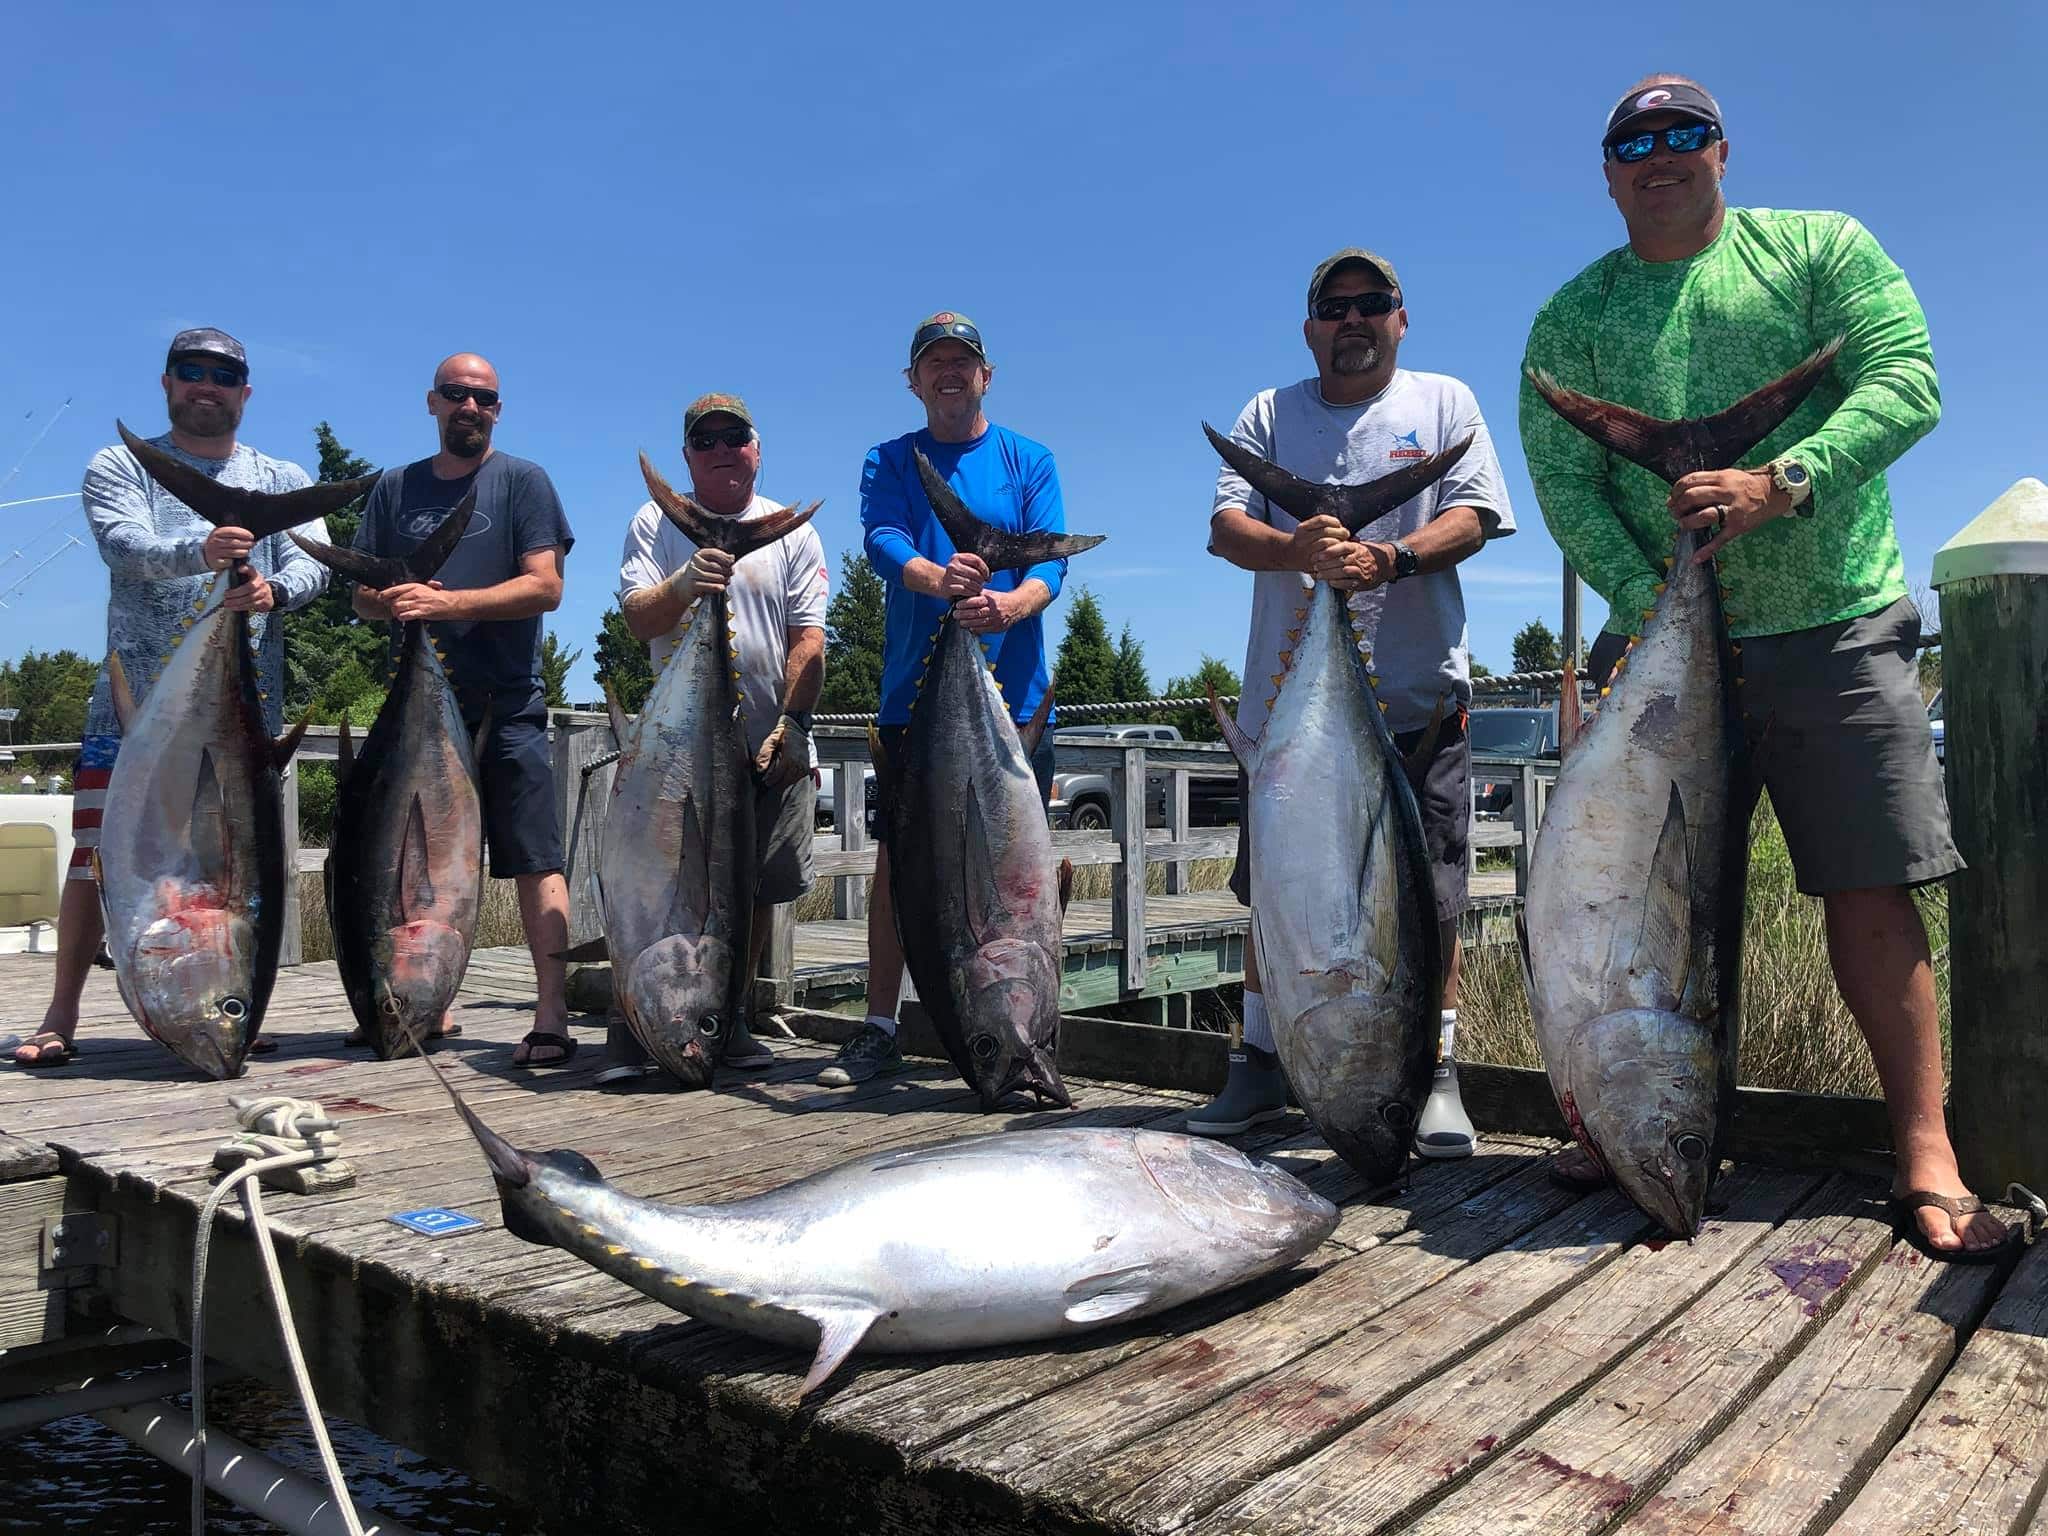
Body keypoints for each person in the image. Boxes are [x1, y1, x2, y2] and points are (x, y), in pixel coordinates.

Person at [1519, 75, 2005, 1257]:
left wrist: (1775, 484)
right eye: (1632, 142)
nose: (1659, 155)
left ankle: (1922, 1154)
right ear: (1606, 171)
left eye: (1682, 134)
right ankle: (1616, 1112)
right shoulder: (1569, 316)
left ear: (1722, 152)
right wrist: (1656, 601)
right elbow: (1566, 485)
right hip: (1660, 649)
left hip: (1829, 618)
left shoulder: (1816, 249)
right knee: (1637, 901)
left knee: (1864, 881)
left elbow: (1907, 380)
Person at [1193, 250, 1516, 1154]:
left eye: (1372, 304)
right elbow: (1225, 528)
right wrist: (1302, 550)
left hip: (1420, 703)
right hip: (1290, 721)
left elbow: (1477, 515)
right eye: (1334, 308)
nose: (1353, 320)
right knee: (1279, 892)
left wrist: (1391, 557)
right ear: (1310, 328)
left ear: (1401, 319)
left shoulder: (1445, 402)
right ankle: (1257, 1065)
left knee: (1433, 897)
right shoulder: (1269, 413)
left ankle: (1435, 1073)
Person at [13, 327, 331, 1069]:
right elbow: (119, 543)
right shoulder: (122, 464)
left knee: (234, 870)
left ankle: (226, 998)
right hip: (135, 709)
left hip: (237, 721)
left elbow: (313, 564)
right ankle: (62, 1014)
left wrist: (271, 588)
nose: (206, 386)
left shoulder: (282, 477)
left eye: (223, 376)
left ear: (245, 392)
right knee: (97, 858)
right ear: (167, 382)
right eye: (192, 372)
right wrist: (204, 553)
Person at [820, 313, 1074, 1086]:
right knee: (904, 866)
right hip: (915, 703)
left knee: (1028, 868)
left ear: (986, 375)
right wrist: (941, 580)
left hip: (1018, 702)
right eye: (935, 363)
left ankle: (1037, 1029)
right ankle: (878, 1024)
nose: (950, 372)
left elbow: (1053, 565)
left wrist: (1008, 604)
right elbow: (881, 539)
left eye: (963, 361)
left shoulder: (1029, 459)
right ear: (914, 380)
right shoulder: (890, 459)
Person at [350, 353, 578, 1067]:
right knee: (406, 861)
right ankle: (425, 1002)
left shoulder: (523, 482)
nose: (470, 406)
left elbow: (545, 588)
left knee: (535, 857)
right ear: (432, 402)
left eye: (484, 397)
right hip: (418, 704)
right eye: (457, 394)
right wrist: (388, 600)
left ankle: (551, 1012)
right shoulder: (394, 488)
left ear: (497, 411)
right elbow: (359, 597)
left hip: (507, 703)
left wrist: (445, 602)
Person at [603, 392, 829, 1084]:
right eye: (707, 442)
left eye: (735, 438)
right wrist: (683, 585)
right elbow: (641, 619)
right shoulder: (654, 520)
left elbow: (808, 638)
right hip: (680, 754)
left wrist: (794, 721)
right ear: (688, 458)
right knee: (652, 883)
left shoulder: (793, 532)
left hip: (768, 746)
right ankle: (635, 1024)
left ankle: (723, 1018)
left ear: (756, 447)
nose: (723, 450)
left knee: (755, 888)